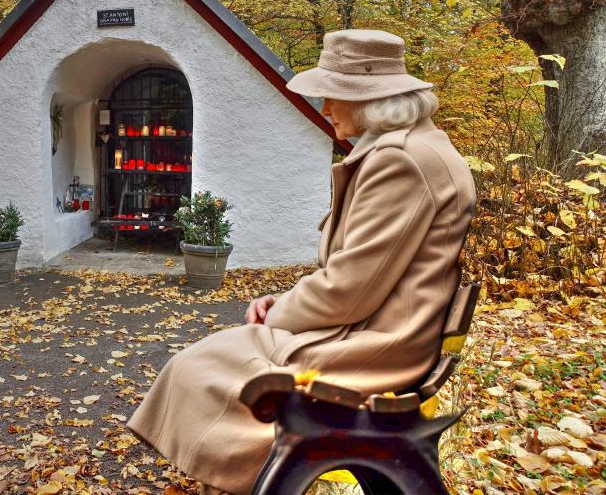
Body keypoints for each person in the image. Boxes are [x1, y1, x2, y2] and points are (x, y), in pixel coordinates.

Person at [125, 29, 477, 495]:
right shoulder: (410, 149)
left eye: (334, 95)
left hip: (381, 345)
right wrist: (285, 303)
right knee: (206, 360)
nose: (325, 107)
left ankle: (230, 479)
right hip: (381, 330)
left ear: (369, 99)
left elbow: (351, 287)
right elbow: (362, 273)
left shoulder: (402, 161)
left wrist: (280, 313)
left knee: (202, 369)